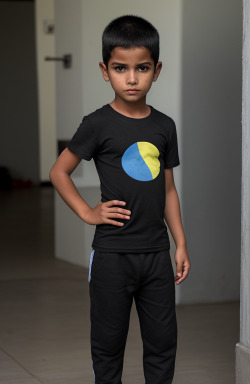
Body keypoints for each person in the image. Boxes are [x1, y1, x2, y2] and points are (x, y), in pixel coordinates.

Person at [49, 14, 191, 384]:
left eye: (142, 68)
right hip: (112, 255)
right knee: (108, 344)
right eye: (120, 68)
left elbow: (168, 189)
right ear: (104, 70)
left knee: (162, 343)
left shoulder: (164, 126)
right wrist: (87, 212)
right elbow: (58, 172)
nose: (131, 78)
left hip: (156, 255)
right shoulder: (97, 124)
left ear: (156, 70)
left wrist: (180, 243)